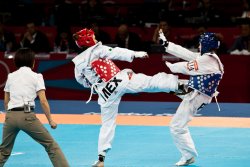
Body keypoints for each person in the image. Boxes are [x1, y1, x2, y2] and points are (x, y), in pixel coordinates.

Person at [72, 28, 186, 167]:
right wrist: (135, 54)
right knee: (148, 82)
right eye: (93, 37)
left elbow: (81, 81)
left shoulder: (78, 63)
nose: (95, 38)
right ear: (88, 40)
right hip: (119, 81)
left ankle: (101, 158)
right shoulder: (97, 50)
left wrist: (95, 86)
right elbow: (116, 52)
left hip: (106, 94)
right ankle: (178, 87)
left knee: (107, 124)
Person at [158, 29, 224, 166]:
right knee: (167, 82)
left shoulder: (207, 60)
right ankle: (188, 155)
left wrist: (171, 66)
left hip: (197, 96)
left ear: (205, 44)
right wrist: (167, 45)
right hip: (196, 92)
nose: (199, 46)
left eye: (200, 43)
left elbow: (186, 67)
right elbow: (187, 53)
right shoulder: (209, 57)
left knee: (176, 126)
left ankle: (188, 156)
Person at [0, 48, 69, 167]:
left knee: (4, 151)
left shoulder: (11, 76)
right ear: (33, 62)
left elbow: (6, 101)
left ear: (16, 62)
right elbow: (43, 101)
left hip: (10, 117)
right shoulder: (37, 76)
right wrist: (50, 120)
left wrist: (10, 116)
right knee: (51, 145)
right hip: (27, 117)